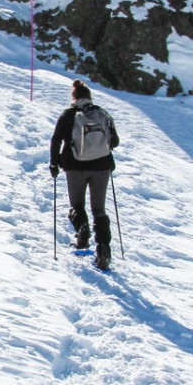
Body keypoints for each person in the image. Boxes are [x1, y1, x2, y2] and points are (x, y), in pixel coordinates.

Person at [49, 79, 120, 270]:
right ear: (89, 97)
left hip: (75, 167)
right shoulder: (102, 113)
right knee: (99, 209)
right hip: (102, 167)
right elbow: (115, 141)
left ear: (74, 97)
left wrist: (54, 163)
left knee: (77, 205)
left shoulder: (69, 115)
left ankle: (82, 231)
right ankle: (104, 249)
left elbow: (56, 140)